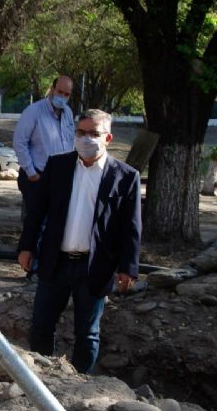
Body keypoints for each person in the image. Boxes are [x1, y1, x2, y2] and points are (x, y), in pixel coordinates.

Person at [17, 109, 140, 374]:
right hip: (55, 261)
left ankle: (79, 384)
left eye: (94, 133)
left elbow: (131, 226)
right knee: (41, 326)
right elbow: (37, 210)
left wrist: (128, 267)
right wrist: (26, 247)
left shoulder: (126, 176)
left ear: (108, 138)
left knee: (87, 333)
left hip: (95, 266)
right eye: (81, 132)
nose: (86, 139)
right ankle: (41, 380)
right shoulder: (58, 166)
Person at [13, 76, 75, 279]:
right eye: (60, 92)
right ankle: (30, 267)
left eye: (67, 94)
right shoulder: (34, 111)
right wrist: (31, 173)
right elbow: (20, 142)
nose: (62, 97)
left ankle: (46, 267)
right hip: (37, 176)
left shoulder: (68, 113)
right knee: (35, 221)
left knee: (54, 222)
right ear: (52, 89)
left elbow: (69, 142)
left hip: (60, 177)